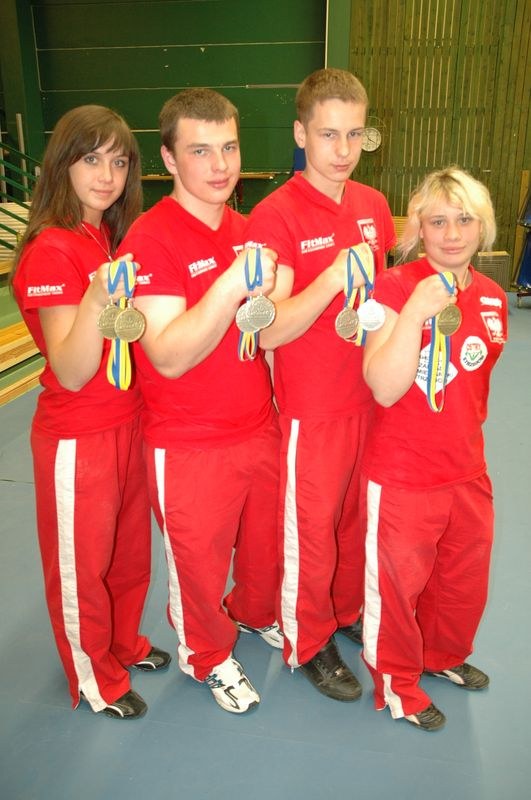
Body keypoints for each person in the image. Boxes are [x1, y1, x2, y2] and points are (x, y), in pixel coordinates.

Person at [118, 88, 281, 715]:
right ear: (168, 157)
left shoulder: (249, 230)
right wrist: (228, 285)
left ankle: (254, 613)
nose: (220, 165)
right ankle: (207, 654)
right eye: (201, 150)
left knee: (264, 552)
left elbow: (265, 332)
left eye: (230, 147)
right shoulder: (150, 237)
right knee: (199, 565)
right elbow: (167, 354)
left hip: (258, 427)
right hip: (188, 442)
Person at [11, 105, 171, 720]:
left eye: (119, 160)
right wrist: (99, 295)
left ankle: (122, 644)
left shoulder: (106, 236)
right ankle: (93, 675)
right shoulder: (53, 250)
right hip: (79, 434)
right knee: (82, 563)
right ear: (63, 164)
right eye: (90, 158)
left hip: (129, 422)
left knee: (129, 553)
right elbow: (73, 368)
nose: (106, 174)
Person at [244, 68, 396, 700]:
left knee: (357, 520)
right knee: (310, 525)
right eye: (329, 134)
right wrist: (330, 279)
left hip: (372, 397)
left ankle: (345, 610)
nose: (343, 150)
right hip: (312, 407)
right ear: (300, 133)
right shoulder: (274, 216)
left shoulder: (373, 206)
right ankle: (306, 637)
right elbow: (270, 330)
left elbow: (379, 302)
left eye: (355, 134)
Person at [361, 166, 507, 731]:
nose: (452, 233)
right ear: (418, 227)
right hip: (402, 473)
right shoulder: (395, 288)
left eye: (464, 219)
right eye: (439, 220)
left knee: (462, 579)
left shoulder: (493, 298)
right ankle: (396, 682)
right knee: (398, 588)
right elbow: (383, 384)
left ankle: (441, 657)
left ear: (482, 227)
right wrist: (417, 311)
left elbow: (474, 390)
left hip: (467, 469)